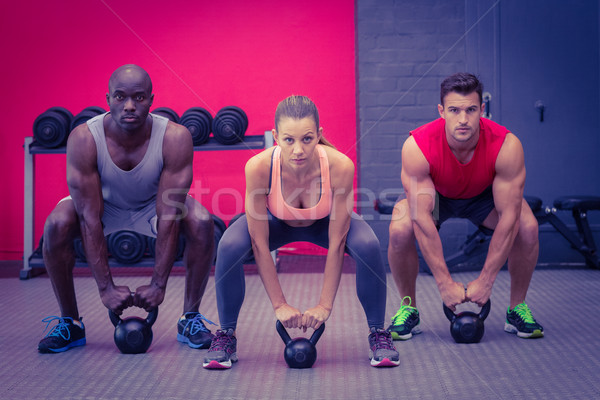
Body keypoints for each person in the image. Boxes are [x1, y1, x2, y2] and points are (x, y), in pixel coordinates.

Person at [203, 95, 399, 369]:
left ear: (319, 135)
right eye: (288, 140)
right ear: (275, 136)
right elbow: (260, 244)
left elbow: (338, 240)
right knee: (229, 245)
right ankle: (226, 335)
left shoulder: (340, 165)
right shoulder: (258, 167)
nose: (298, 150)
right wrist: (280, 305)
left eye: (307, 139)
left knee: (367, 244)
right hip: (275, 223)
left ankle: (378, 332)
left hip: (324, 223)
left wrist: (324, 305)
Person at [38, 64, 216, 353]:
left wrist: (158, 285)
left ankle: (190, 318)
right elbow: (89, 219)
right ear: (107, 99)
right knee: (56, 225)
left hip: (153, 206)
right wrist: (106, 288)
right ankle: (70, 323)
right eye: (120, 97)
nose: (130, 106)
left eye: (139, 98)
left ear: (151, 99)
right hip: (101, 206)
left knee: (201, 221)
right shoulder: (84, 139)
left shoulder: (175, 137)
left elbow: (169, 216)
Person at [387, 73, 544, 341]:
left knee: (527, 227)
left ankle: (517, 307)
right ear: (441, 111)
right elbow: (422, 219)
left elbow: (509, 219)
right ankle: (408, 308)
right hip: (437, 198)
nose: (463, 119)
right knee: (400, 229)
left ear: (482, 110)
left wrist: (485, 281)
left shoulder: (506, 145)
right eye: (455, 110)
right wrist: (445, 284)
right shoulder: (418, 146)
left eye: (471, 110)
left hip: (484, 198)